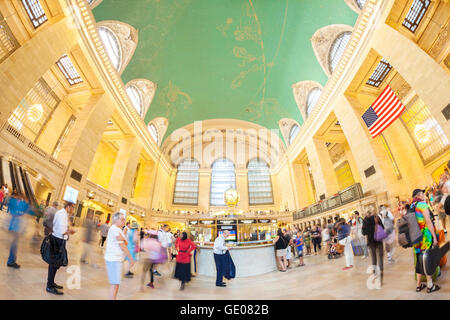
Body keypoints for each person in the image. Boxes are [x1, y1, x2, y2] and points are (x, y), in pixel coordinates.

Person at [410, 189, 440, 293]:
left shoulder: (412, 206)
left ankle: (418, 285)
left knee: (419, 259)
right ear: (420, 195)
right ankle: (430, 285)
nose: (424, 195)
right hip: (425, 237)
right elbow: (428, 222)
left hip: (415, 237)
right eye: (423, 193)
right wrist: (434, 237)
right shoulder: (422, 204)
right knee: (428, 259)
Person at [46, 202, 76, 295]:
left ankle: (51, 283)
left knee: (55, 263)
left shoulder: (61, 213)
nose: (73, 210)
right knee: (54, 263)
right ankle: (49, 286)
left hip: (56, 238)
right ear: (68, 207)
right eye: (72, 208)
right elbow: (62, 231)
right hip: (58, 240)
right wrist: (71, 231)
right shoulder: (62, 215)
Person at [104, 212, 135, 300]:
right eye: (122, 219)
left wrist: (124, 238)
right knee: (115, 284)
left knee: (115, 284)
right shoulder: (115, 229)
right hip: (113, 259)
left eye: (124, 219)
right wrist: (131, 258)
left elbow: (124, 241)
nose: (124, 221)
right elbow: (123, 245)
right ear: (116, 220)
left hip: (116, 259)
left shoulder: (118, 229)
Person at [6, 193, 30, 269]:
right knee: (14, 245)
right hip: (15, 227)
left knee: (14, 245)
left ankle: (11, 260)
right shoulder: (18, 203)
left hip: (14, 227)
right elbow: (28, 209)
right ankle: (11, 261)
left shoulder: (14, 201)